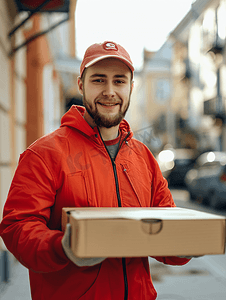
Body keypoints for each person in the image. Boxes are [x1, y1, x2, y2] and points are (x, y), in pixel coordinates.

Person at [0, 41, 190, 300]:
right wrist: (62, 248)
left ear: (131, 88)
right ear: (81, 85)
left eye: (119, 81)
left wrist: (186, 245)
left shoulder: (144, 158)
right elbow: (17, 227)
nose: (110, 91)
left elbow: (161, 229)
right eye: (99, 80)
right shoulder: (44, 154)